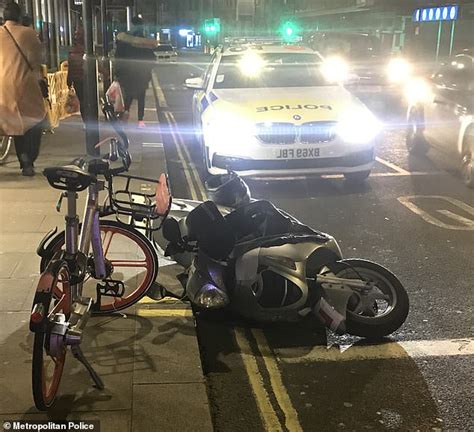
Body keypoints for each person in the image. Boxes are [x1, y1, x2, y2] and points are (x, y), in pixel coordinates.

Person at [0, 2, 46, 176]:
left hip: (2, 87)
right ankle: (27, 159)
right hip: (24, 85)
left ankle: (25, 159)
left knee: (13, 123)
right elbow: (37, 60)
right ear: (20, 16)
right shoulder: (29, 33)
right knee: (34, 121)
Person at [114, 16, 157, 128]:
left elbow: (119, 57)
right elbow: (152, 59)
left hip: (127, 73)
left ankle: (125, 114)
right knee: (141, 97)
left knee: (128, 96)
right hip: (142, 74)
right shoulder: (145, 41)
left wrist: (118, 72)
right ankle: (140, 120)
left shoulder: (124, 40)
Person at [67, 27, 86, 124]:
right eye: (75, 34)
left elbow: (70, 66)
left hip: (81, 78)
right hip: (81, 79)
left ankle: (86, 121)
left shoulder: (73, 50)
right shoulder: (84, 49)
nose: (76, 36)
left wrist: (69, 80)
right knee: (84, 101)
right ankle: (87, 121)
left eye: (78, 34)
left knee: (83, 101)